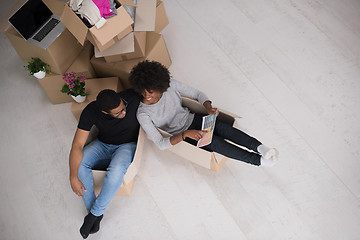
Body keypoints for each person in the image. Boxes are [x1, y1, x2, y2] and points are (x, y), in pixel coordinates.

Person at [129, 60, 278, 167]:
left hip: (194, 119)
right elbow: (161, 144)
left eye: (155, 90)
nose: (148, 94)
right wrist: (185, 134)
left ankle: (261, 148)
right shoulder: (143, 114)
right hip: (184, 135)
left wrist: (208, 107)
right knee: (216, 143)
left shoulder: (169, 85)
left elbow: (197, 93)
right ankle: (258, 161)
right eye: (146, 91)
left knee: (223, 128)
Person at [68, 89, 140, 239]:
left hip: (127, 145)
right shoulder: (91, 111)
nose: (124, 113)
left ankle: (93, 215)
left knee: (115, 172)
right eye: (118, 113)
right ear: (105, 112)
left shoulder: (131, 97)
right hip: (102, 144)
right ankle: (94, 214)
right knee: (80, 165)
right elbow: (77, 146)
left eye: (123, 107)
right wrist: (73, 177)